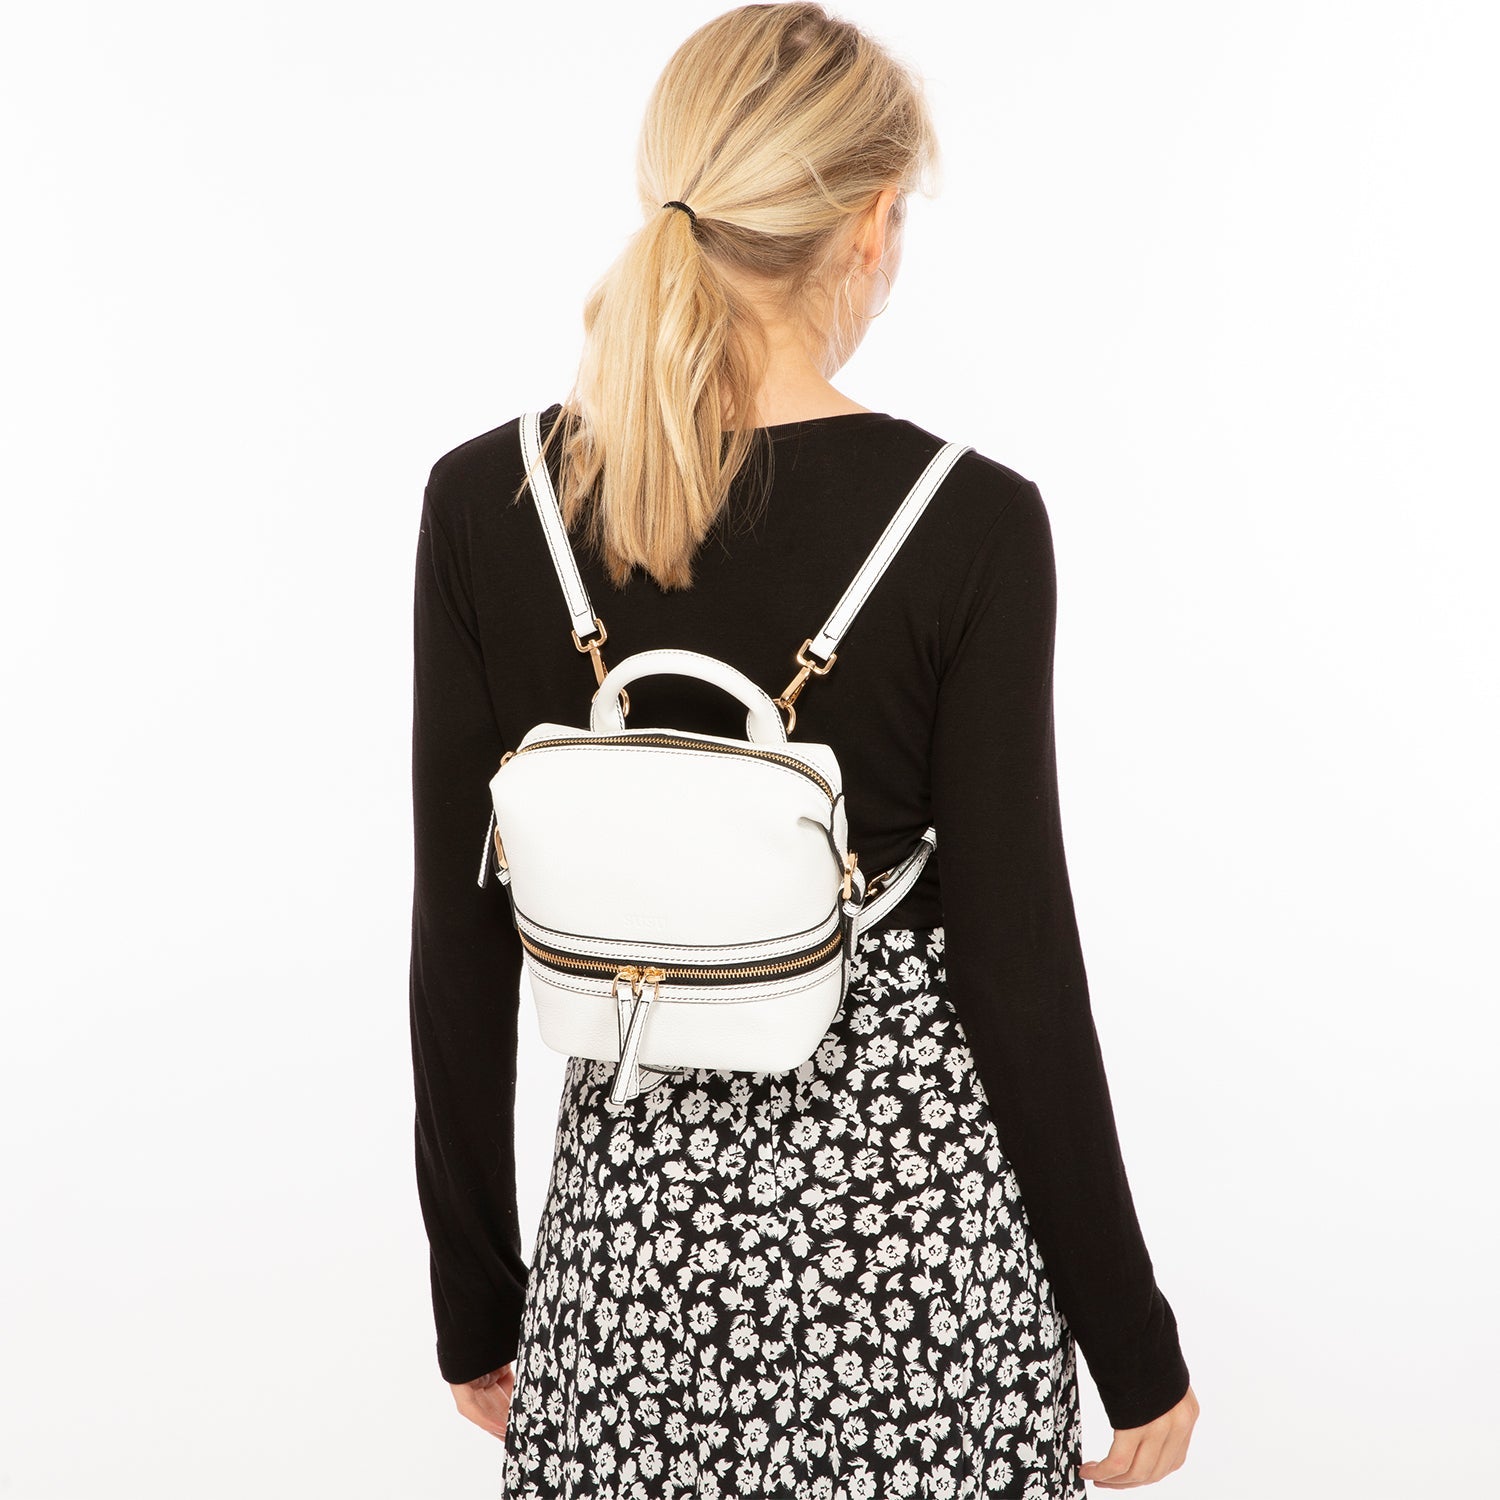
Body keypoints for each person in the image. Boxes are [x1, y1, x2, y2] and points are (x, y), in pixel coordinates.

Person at [408, 5, 1199, 1495]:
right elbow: (1018, 965)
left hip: (630, 1269)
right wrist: (1130, 1339)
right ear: (872, 223)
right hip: (918, 1272)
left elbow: (460, 943)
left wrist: (476, 1300)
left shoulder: (486, 502)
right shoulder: (969, 523)